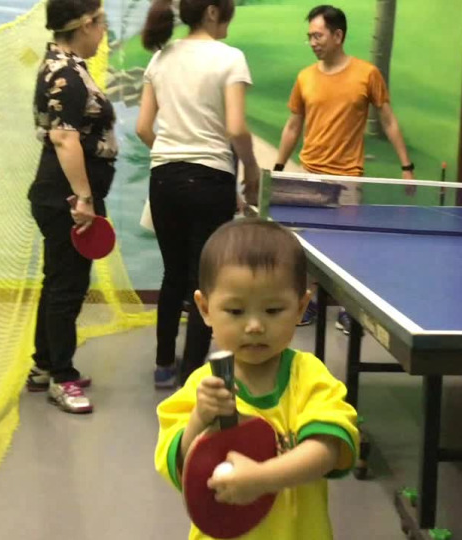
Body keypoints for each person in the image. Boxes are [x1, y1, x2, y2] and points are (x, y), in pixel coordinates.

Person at [155, 218, 359, 539]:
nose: (254, 326)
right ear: (205, 309)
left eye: (273, 310)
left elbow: (327, 450)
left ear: (301, 307)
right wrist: (198, 420)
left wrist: (263, 479)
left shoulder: (309, 376)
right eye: (236, 311)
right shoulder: (199, 388)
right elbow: (180, 465)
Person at [135, 0, 260, 389]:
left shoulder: (161, 58)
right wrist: (252, 170)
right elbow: (236, 129)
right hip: (210, 180)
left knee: (172, 274)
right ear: (212, 11)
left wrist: (173, 154)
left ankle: (162, 366)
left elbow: (143, 128)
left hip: (164, 178)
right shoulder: (230, 58)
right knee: (204, 280)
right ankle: (191, 375)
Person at [274, 4, 415, 330]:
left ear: (338, 36)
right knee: (303, 247)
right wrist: (279, 167)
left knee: (347, 249)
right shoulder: (305, 77)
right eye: (310, 36)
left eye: (318, 35)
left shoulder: (367, 74)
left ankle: (348, 311)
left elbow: (389, 120)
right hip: (310, 175)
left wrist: (406, 166)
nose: (313, 42)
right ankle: (307, 305)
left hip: (348, 178)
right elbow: (293, 126)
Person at [26, 0, 114, 414]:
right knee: (68, 287)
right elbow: (65, 139)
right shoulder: (66, 72)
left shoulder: (65, 66)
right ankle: (62, 377)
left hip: (60, 195)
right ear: (85, 24)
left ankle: (44, 365)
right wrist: (84, 199)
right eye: (101, 24)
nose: (103, 32)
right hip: (67, 199)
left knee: (58, 280)